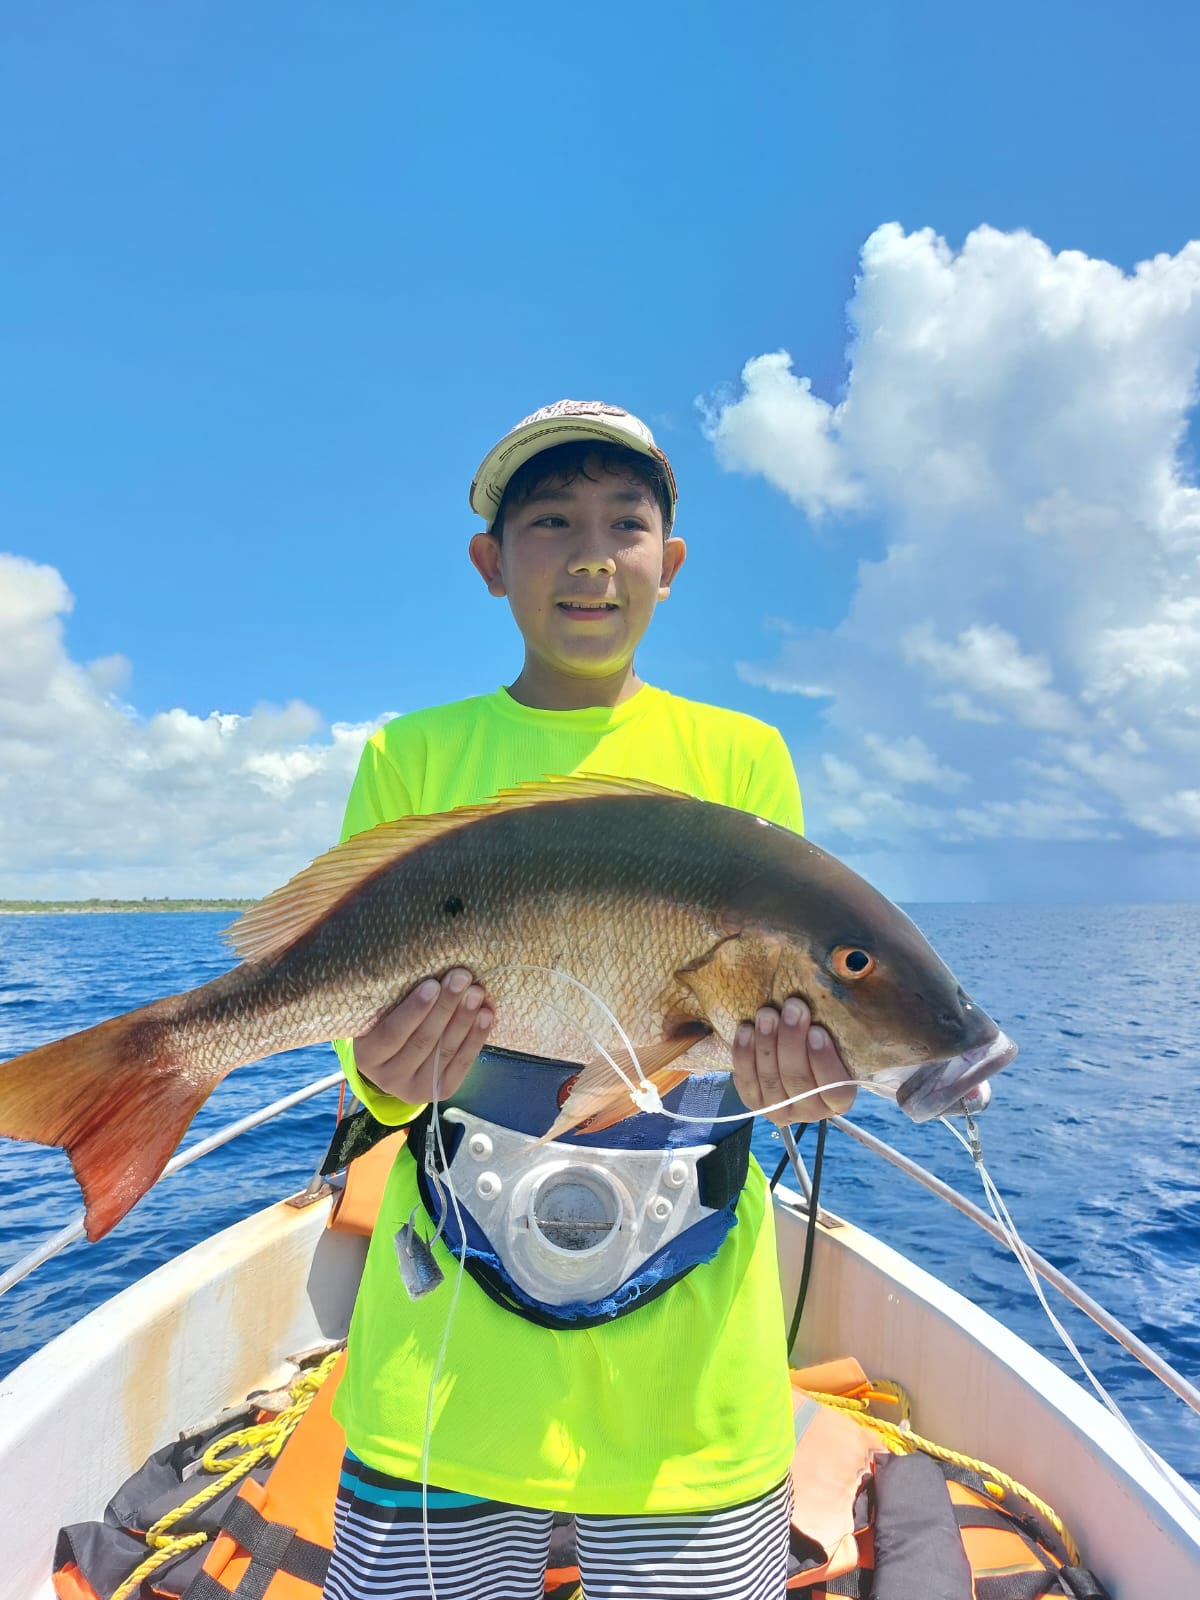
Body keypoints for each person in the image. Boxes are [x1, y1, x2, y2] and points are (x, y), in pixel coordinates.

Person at [323, 400, 855, 1600]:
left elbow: (779, 1016)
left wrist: (806, 1086)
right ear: (490, 563)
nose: (591, 555)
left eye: (626, 523)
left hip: (688, 1394)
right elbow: (364, 1039)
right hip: (445, 1373)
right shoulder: (410, 755)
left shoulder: (744, 759)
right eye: (552, 522)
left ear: (670, 563)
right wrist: (383, 1077)